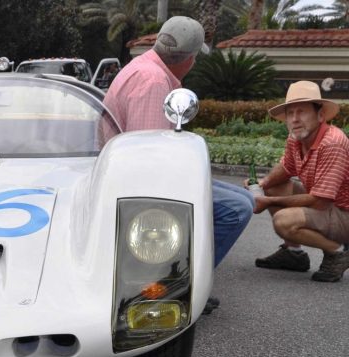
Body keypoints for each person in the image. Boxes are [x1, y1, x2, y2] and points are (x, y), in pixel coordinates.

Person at [103, 16, 255, 314]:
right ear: (188, 58)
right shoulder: (154, 82)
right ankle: (175, 285)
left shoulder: (146, 68)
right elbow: (148, 161)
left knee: (245, 198)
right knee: (237, 210)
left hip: (130, 170)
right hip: (135, 181)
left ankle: (188, 275)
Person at [250, 81, 349, 282]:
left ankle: (338, 252)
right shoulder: (296, 137)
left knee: (283, 221)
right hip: (328, 206)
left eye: (302, 112)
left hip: (343, 213)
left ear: (320, 115)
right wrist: (263, 183)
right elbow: (287, 168)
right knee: (273, 185)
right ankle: (293, 254)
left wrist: (268, 202)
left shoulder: (332, 143)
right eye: (290, 113)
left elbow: (320, 201)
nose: (294, 119)